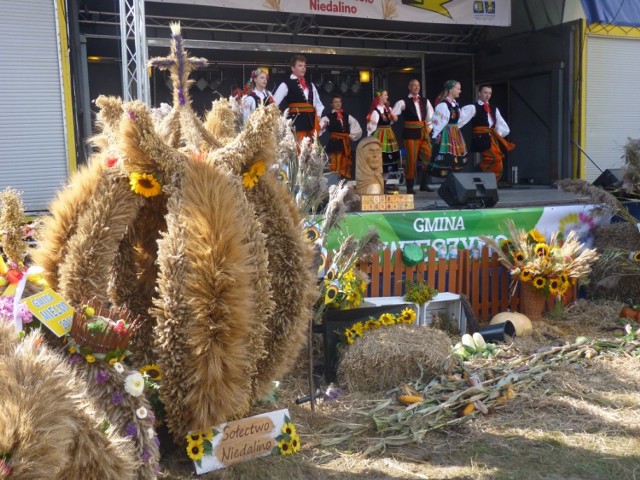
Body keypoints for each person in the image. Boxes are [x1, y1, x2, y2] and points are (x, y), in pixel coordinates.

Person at [392, 79, 434, 193]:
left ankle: (424, 184)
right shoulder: (403, 101)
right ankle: (409, 187)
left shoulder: (425, 101)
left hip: (423, 133)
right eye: (414, 86)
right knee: (411, 160)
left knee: (429, 156)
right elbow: (393, 115)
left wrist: (429, 127)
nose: (416, 87)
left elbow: (431, 118)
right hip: (410, 134)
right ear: (409, 87)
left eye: (418, 85)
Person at [427, 80, 475, 179]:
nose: (460, 91)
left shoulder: (455, 104)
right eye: (458, 89)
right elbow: (438, 122)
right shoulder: (443, 105)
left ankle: (453, 182)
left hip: (454, 133)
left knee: (456, 160)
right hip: (446, 135)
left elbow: (459, 119)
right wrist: (435, 136)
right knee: (447, 158)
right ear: (450, 90)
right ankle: (448, 183)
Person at [273, 54, 324, 145]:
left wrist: (318, 117)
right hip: (295, 123)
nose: (303, 68)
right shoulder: (286, 84)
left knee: (311, 153)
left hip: (311, 125)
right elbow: (274, 103)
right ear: (293, 68)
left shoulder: (310, 84)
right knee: (297, 152)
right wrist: (280, 120)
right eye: (300, 66)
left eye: (304, 66)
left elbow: (318, 104)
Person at [470, 84, 516, 180]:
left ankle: (490, 181)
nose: (487, 95)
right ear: (479, 93)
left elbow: (501, 124)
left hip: (490, 138)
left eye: (490, 93)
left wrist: (496, 133)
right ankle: (473, 176)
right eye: (485, 92)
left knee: (498, 161)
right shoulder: (473, 107)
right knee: (493, 158)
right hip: (480, 138)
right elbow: (461, 119)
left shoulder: (494, 108)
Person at [320, 94, 363, 179]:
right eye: (336, 102)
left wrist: (351, 136)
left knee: (345, 163)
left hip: (345, 143)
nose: (338, 103)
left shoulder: (347, 116)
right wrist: (323, 126)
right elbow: (320, 127)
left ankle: (343, 182)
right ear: (332, 104)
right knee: (335, 163)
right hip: (334, 144)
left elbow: (356, 127)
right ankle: (334, 182)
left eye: (339, 102)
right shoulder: (327, 117)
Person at [366, 90, 400, 179]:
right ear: (380, 97)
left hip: (389, 135)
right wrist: (369, 140)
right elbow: (371, 127)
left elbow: (394, 120)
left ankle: (384, 184)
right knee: (380, 160)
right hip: (380, 136)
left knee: (389, 160)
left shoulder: (388, 109)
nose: (387, 97)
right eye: (385, 95)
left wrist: (391, 113)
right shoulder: (375, 111)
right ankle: (378, 183)